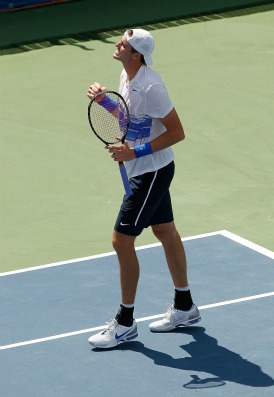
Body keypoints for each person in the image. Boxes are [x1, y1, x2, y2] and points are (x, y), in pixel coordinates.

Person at [87, 28, 200, 349]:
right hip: (147, 169)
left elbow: (177, 132)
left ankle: (124, 323)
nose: (118, 44)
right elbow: (129, 119)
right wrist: (104, 101)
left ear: (136, 54)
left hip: (151, 171)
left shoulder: (151, 85)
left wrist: (134, 152)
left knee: (121, 240)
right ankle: (185, 307)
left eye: (124, 43)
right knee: (165, 233)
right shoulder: (126, 77)